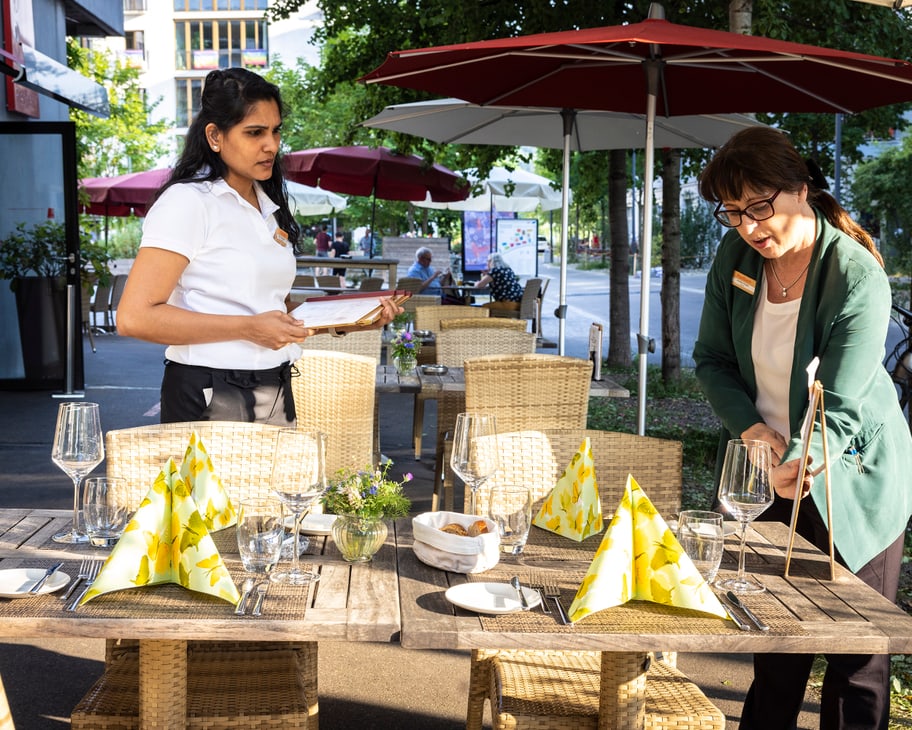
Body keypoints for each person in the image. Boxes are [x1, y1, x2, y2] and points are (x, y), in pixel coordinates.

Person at [693, 126, 912, 730]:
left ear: (800, 189)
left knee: (856, 652)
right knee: (774, 642)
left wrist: (804, 458)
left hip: (849, 475)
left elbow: (839, 401)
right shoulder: (736, 259)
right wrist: (751, 430)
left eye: (758, 207)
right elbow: (710, 359)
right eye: (732, 212)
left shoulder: (855, 275)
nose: (746, 227)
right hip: (763, 468)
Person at [117, 68, 399, 426]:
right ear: (215, 136)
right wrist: (248, 328)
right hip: (211, 390)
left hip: (275, 383)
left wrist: (352, 320)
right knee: (217, 487)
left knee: (282, 486)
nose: (272, 145)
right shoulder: (188, 202)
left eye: (276, 130)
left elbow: (271, 311)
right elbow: (133, 317)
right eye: (255, 133)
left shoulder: (267, 204)